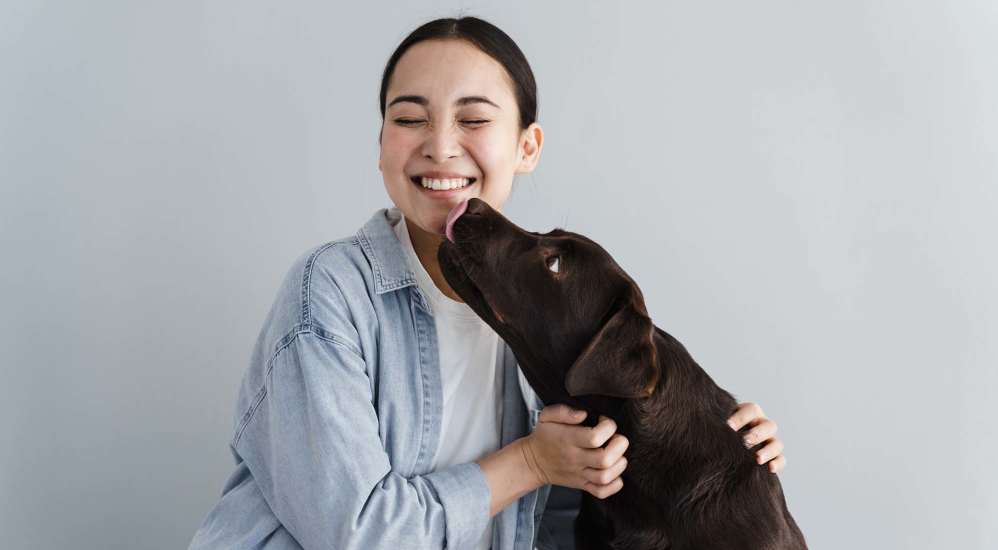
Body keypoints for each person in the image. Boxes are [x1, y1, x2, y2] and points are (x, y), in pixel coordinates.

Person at [188, 16, 787, 550]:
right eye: (408, 118)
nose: (440, 146)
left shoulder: (555, 317)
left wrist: (718, 447)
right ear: (380, 147)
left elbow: (573, 521)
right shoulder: (329, 294)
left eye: (473, 118)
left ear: (527, 146)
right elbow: (359, 535)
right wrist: (530, 461)